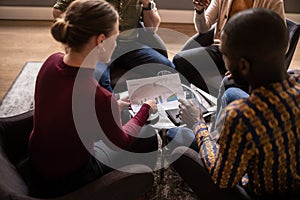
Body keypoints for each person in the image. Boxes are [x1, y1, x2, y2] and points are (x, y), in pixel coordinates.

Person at [29, 0, 158, 197]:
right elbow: (122, 141)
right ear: (101, 41)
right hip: (70, 178)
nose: (116, 45)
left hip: (38, 165)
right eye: (115, 38)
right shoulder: (99, 97)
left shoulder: (50, 62)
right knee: (147, 133)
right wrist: (145, 109)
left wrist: (116, 105)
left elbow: (69, 106)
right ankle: (138, 189)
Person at [168, 8, 300, 199]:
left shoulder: (241, 116)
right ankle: (220, 139)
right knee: (231, 92)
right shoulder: (296, 76)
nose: (224, 61)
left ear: (244, 65)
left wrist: (198, 123)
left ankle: (215, 143)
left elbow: (223, 179)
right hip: (289, 170)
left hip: (254, 190)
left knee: (175, 134)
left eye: (225, 55)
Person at [53, 0, 175, 93]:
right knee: (99, 81)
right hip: (98, 48)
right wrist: (82, 24)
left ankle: (147, 108)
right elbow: (58, 11)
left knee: (167, 69)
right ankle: (111, 113)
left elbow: (152, 28)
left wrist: (147, 4)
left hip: (130, 45)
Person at [173, 0, 286, 96]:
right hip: (223, 50)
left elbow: (280, 39)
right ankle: (195, 107)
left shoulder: (273, 1)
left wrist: (242, 68)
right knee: (180, 60)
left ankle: (224, 108)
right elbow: (203, 29)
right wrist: (199, 10)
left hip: (251, 59)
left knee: (230, 84)